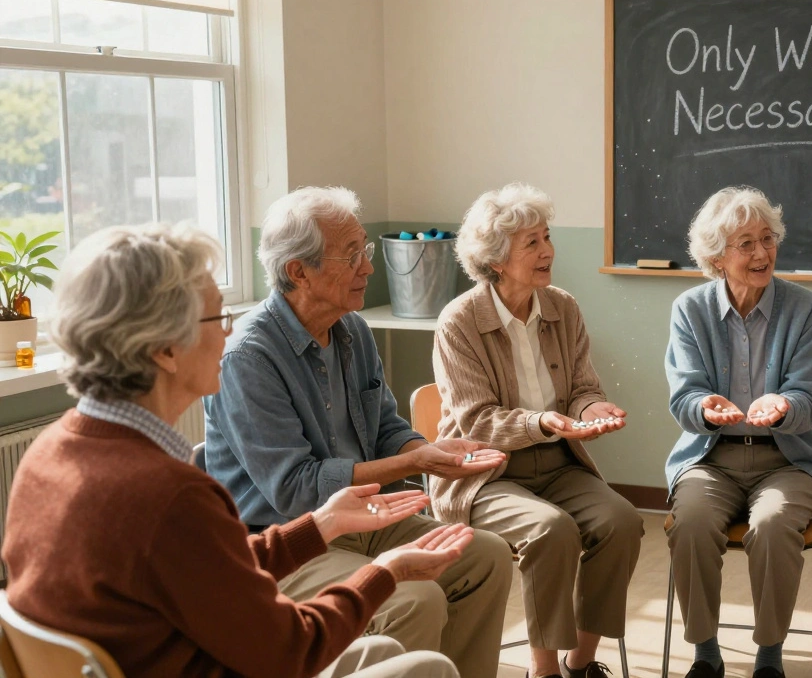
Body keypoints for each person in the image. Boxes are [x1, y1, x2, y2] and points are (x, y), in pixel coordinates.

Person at [2, 223, 465, 677]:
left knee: (381, 652)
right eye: (217, 317)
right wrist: (384, 573)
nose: (228, 334)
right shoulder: (169, 495)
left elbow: (211, 572)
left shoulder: (49, 452)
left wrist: (321, 524)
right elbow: (290, 651)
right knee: (424, 668)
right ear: (165, 348)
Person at [203, 187, 513, 678]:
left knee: (486, 556)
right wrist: (415, 463)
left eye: (364, 252)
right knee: (414, 599)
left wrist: (430, 450)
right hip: (288, 538)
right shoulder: (248, 357)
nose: (368, 268)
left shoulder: (353, 329)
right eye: (352, 256)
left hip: (367, 516)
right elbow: (295, 489)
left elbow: (385, 425)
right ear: (297, 272)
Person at [431, 183, 644, 678]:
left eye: (547, 236)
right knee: (552, 531)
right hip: (485, 474)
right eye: (531, 242)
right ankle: (542, 670)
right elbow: (476, 420)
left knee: (623, 522)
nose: (547, 250)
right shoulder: (458, 321)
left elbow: (583, 389)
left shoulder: (562, 307)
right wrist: (542, 422)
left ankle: (580, 663)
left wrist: (592, 411)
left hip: (558, 464)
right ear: (497, 259)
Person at [665, 186, 812, 678]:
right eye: (746, 244)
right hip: (710, 457)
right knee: (691, 521)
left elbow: (811, 398)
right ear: (717, 258)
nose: (762, 253)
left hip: (788, 461)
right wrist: (703, 407)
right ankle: (705, 653)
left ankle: (769, 655)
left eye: (768, 239)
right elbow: (683, 396)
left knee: (775, 524)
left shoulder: (804, 308)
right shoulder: (689, 310)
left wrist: (784, 406)